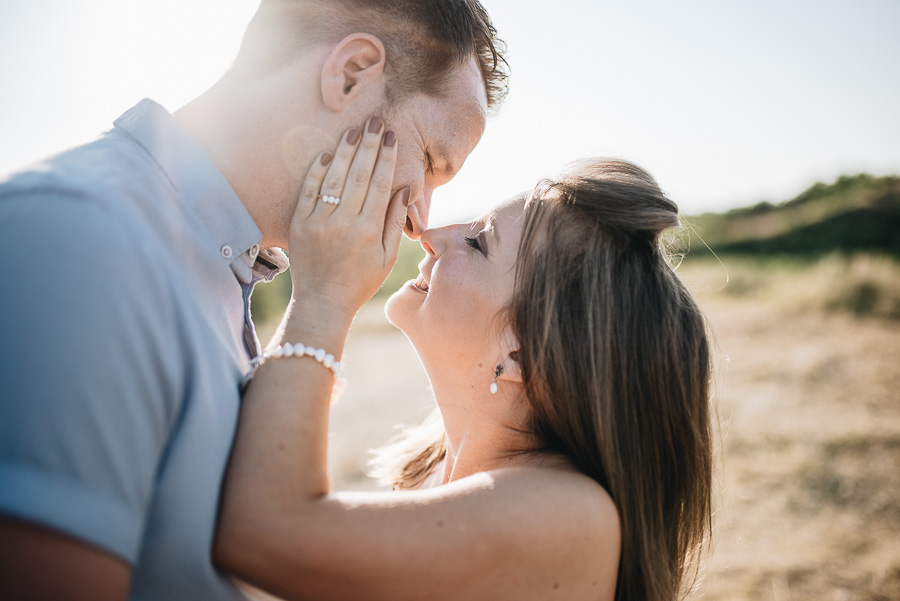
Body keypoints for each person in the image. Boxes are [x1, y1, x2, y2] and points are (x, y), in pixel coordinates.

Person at [0, 1, 508, 599]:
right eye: (427, 160)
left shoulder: (218, 269)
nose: (419, 218)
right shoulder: (83, 238)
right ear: (350, 74)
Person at [214, 129, 715, 600]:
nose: (432, 234)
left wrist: (325, 294)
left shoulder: (567, 514)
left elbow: (262, 529)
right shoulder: (435, 473)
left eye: (478, 242)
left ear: (520, 354)